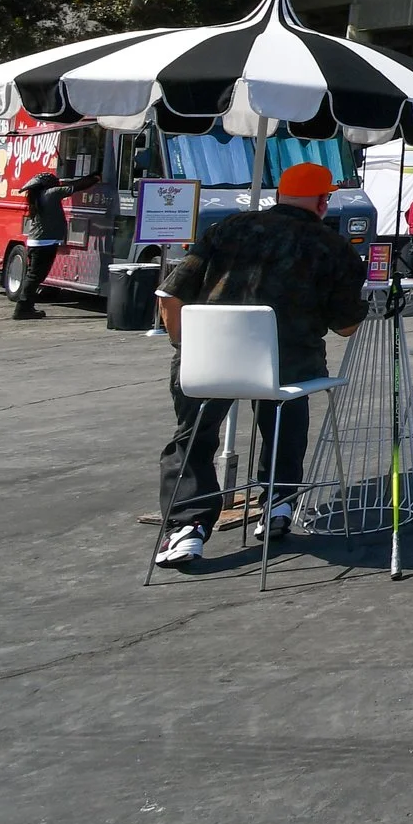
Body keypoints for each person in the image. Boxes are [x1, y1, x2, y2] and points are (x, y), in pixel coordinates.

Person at [150, 162, 367, 567]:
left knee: (192, 436)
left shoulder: (225, 229)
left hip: (210, 361)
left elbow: (169, 296)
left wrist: (186, 346)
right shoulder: (334, 248)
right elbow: (347, 327)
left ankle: (186, 527)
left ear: (279, 195)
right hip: (289, 367)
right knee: (285, 417)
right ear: (323, 201)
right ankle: (279, 504)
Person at [11, 164, 100, 319]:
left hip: (38, 242)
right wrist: (95, 178)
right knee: (34, 277)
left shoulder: (39, 196)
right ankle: (22, 308)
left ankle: (26, 307)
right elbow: (75, 187)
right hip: (44, 243)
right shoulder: (50, 194)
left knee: (34, 276)